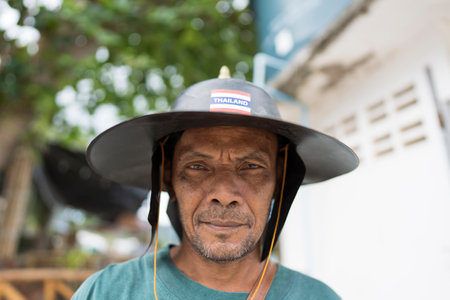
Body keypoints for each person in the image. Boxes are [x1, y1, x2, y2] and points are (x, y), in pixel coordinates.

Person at [72, 67, 358, 300]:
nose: (223, 194)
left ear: (279, 180)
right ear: (169, 177)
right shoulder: (106, 292)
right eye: (197, 167)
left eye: (251, 167)